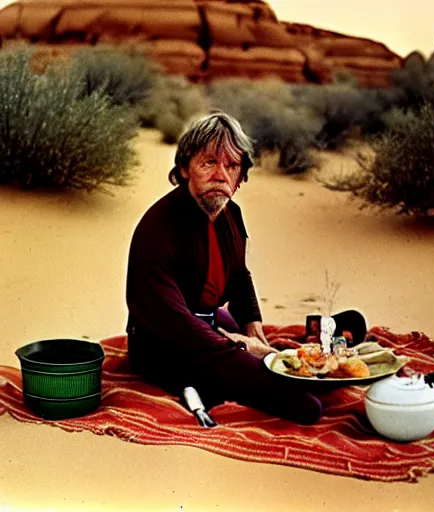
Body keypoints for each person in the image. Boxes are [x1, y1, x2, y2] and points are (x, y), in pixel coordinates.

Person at [125, 112, 366, 426]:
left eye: (231, 165)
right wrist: (239, 346)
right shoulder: (158, 229)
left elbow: (239, 276)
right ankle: (263, 363)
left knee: (278, 348)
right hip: (163, 347)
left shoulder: (230, 215)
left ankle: (303, 345)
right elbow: (174, 323)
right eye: (209, 162)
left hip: (207, 323)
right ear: (185, 169)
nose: (221, 174)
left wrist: (253, 328)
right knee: (308, 407)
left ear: (240, 178)